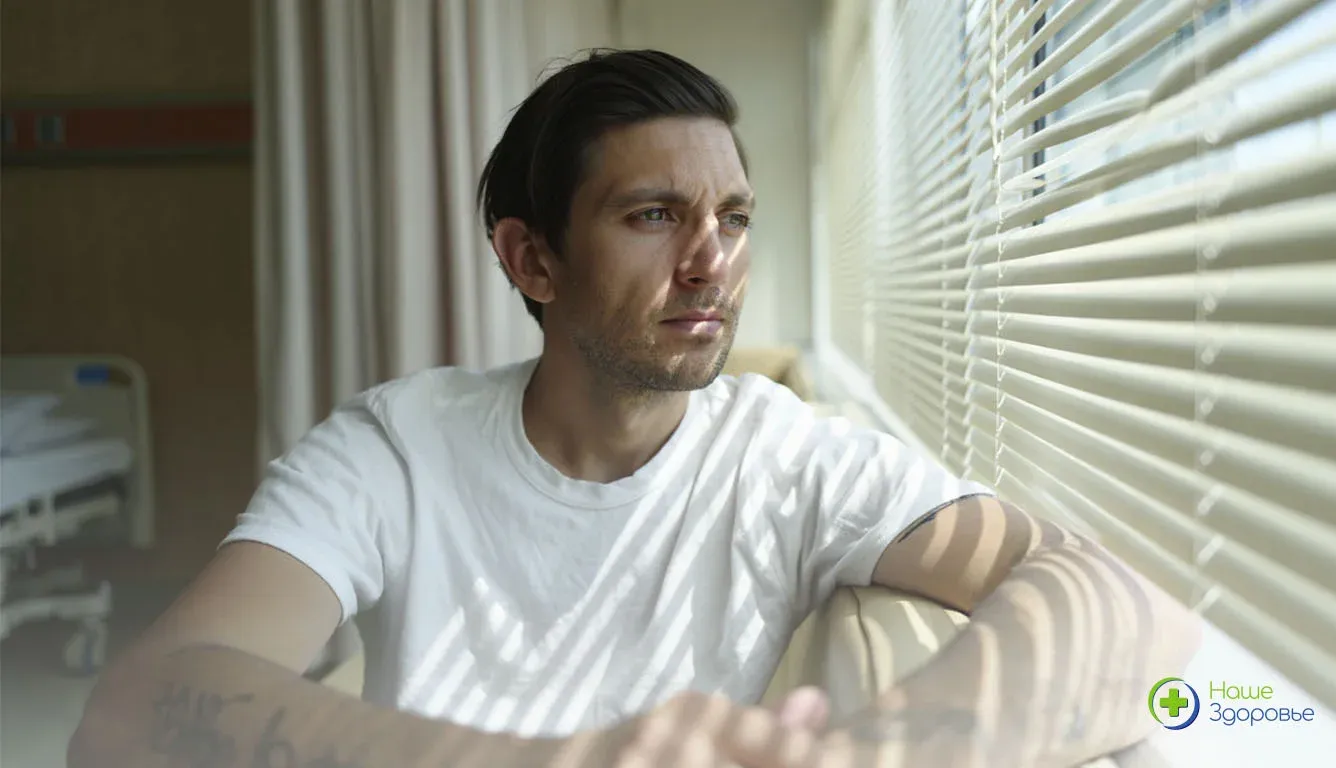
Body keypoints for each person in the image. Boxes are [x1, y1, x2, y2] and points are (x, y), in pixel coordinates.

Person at [70, 49, 1199, 768]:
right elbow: (132, 713)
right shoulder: (392, 449)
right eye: (654, 216)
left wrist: (879, 751)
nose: (713, 263)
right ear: (532, 259)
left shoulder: (786, 455)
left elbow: (1123, 601)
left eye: (733, 218)